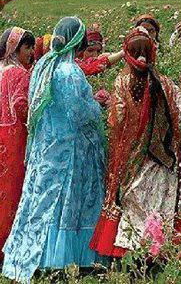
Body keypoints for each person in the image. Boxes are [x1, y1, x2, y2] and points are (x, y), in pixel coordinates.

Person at [2, 17, 105, 282]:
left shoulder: (43, 65)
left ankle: (34, 255)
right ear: (76, 40)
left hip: (45, 146)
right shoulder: (68, 71)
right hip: (69, 147)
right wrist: (97, 105)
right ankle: (63, 258)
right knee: (66, 199)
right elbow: (77, 111)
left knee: (41, 198)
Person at [90, 27, 181, 257]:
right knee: (158, 207)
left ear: (127, 54)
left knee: (134, 207)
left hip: (133, 161)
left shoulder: (122, 83)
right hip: (161, 159)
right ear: (152, 53)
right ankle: (157, 253)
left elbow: (116, 121)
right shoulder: (164, 83)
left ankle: (133, 256)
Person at [0, 27, 34, 261]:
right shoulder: (19, 74)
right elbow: (23, 108)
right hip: (13, 139)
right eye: (27, 47)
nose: (31, 52)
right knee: (12, 191)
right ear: (15, 49)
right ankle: (9, 245)